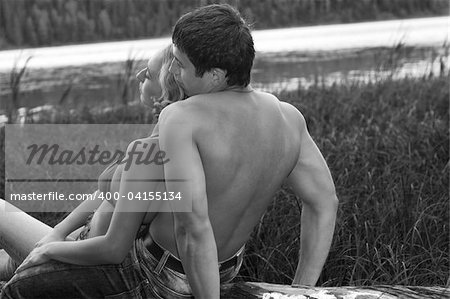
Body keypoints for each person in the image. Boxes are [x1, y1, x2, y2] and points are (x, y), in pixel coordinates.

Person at [2, 4, 338, 299]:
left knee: (16, 278)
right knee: (19, 254)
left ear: (216, 75)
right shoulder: (288, 117)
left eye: (179, 64)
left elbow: (193, 227)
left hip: (154, 274)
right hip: (221, 272)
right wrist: (300, 291)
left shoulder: (181, 117)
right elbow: (324, 204)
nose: (172, 72)